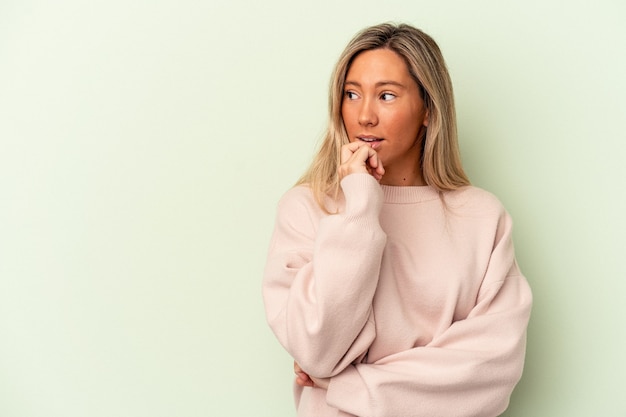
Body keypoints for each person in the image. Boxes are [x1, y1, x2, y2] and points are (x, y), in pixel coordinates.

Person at [262, 22, 532, 417]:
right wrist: (360, 203)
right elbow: (319, 350)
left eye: (386, 95)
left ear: (427, 109)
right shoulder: (306, 208)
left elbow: (490, 371)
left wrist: (346, 385)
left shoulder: (482, 217)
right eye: (351, 94)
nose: (364, 115)